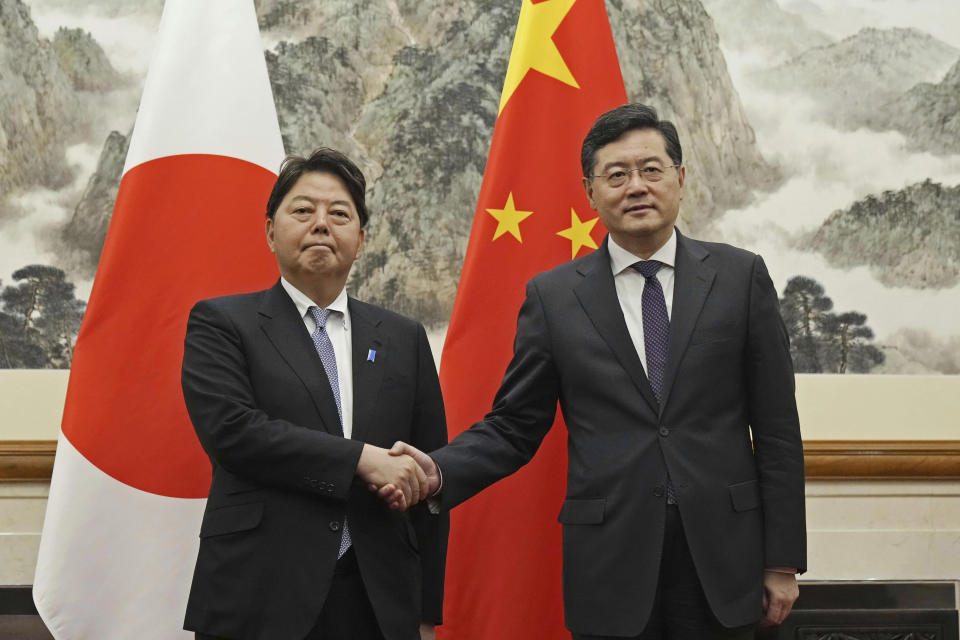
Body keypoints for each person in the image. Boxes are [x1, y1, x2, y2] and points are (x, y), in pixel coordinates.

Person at [389, 103, 806, 639]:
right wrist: (436, 471)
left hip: (726, 560)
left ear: (679, 179)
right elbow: (515, 425)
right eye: (616, 175)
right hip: (611, 564)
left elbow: (776, 429)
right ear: (590, 193)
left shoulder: (739, 276)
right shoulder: (555, 297)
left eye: (651, 170)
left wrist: (782, 560)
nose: (636, 187)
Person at [181, 148, 448, 640]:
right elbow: (234, 433)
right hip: (259, 590)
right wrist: (361, 460)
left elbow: (427, 475)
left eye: (339, 214)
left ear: (361, 240)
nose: (321, 224)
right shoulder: (223, 323)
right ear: (269, 231)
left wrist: (427, 609)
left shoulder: (403, 337)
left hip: (379, 598)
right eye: (303, 211)